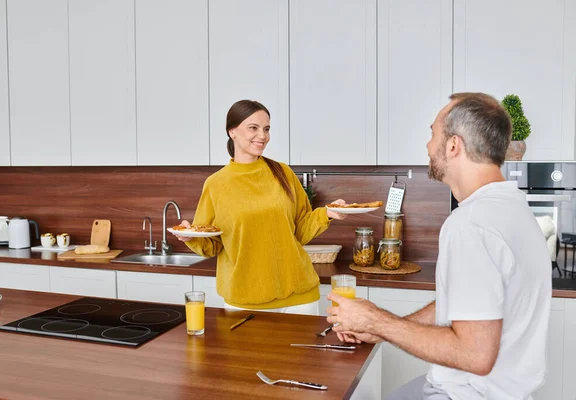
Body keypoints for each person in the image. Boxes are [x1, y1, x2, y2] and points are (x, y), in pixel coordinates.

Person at [327, 92, 552, 399]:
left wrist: (373, 319)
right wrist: (379, 330)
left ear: (453, 145)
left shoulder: (471, 224)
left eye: (432, 133)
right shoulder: (515, 210)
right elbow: (467, 303)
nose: (428, 145)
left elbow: (475, 356)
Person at [171, 99, 347, 315]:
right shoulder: (216, 184)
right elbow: (212, 244)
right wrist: (190, 237)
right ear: (232, 131)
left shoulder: (282, 173)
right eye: (253, 128)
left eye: (266, 129)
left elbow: (300, 231)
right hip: (245, 300)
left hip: (300, 296)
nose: (262, 136)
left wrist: (326, 213)